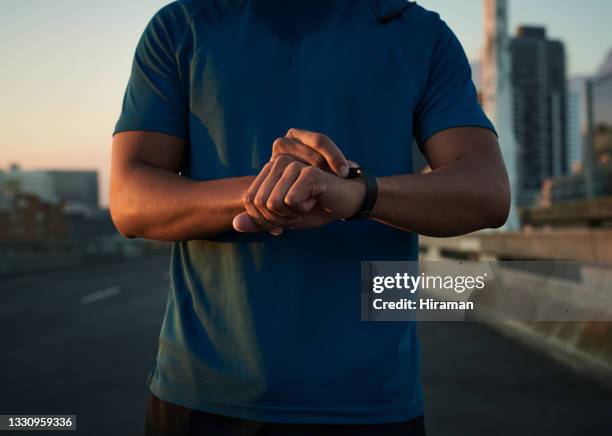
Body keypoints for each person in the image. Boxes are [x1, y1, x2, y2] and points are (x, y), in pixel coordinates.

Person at [109, 0, 510, 434]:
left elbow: (487, 189)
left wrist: (357, 193)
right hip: (203, 398)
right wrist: (269, 192)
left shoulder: (419, 33)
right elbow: (130, 199)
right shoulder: (183, 25)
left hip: (371, 404)